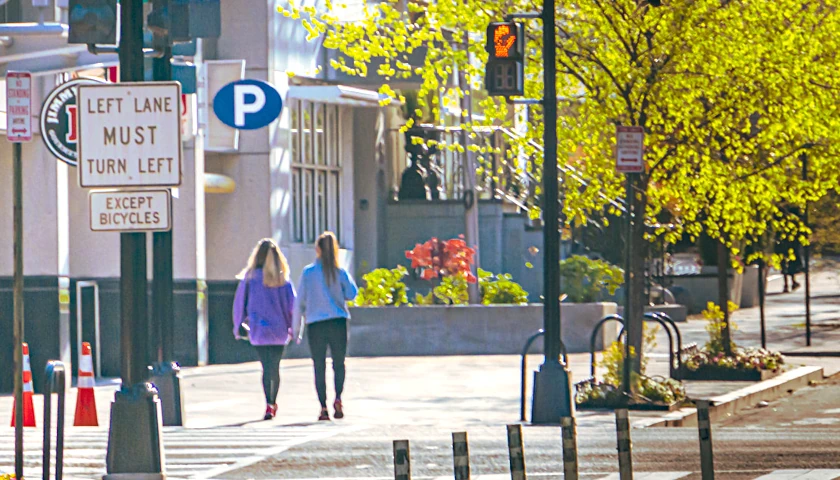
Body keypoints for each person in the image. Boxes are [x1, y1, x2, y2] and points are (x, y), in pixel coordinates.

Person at [293, 232, 358, 421]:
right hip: (338, 321)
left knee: (319, 365)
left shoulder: (308, 273)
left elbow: (300, 302)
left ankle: (322, 407)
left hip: (316, 324)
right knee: (339, 363)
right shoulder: (340, 271)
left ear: (318, 249)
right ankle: (338, 398)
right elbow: (352, 293)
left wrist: (296, 329)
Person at [233, 238, 296, 421]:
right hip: (279, 332)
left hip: (258, 331)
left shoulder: (250, 278)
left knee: (265, 367)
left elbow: (239, 304)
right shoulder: (283, 280)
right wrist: (293, 329)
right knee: (274, 368)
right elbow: (292, 307)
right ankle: (272, 403)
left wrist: (238, 327)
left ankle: (268, 402)